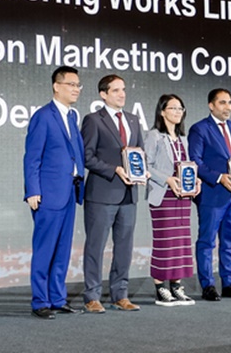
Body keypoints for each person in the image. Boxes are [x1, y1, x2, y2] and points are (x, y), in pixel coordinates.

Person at [23, 66, 85, 319]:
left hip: (70, 191)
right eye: (71, 84)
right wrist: (32, 190)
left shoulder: (72, 116)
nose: (76, 89)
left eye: (78, 85)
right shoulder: (43, 116)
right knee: (45, 249)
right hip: (48, 194)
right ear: (56, 86)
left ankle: (57, 299)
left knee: (62, 250)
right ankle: (40, 301)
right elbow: (32, 157)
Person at [80, 74, 144, 313]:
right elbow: (86, 157)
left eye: (123, 89)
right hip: (102, 193)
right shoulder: (93, 120)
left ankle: (120, 295)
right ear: (103, 94)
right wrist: (114, 170)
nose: (122, 94)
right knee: (95, 246)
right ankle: (92, 296)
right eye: (116, 90)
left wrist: (143, 171)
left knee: (124, 247)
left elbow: (140, 153)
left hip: (129, 194)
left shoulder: (134, 120)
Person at [188, 88, 231, 302]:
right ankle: (207, 285)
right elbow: (195, 161)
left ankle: (229, 283)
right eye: (223, 103)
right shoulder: (199, 128)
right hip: (212, 194)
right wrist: (219, 178)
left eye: (230, 102)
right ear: (211, 105)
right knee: (207, 241)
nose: (228, 107)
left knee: (230, 241)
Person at [144, 94, 201, 306]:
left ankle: (176, 286)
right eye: (173, 108)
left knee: (181, 242)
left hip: (182, 197)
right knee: (165, 242)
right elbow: (146, 166)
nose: (178, 112)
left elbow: (189, 166)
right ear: (162, 111)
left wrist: (196, 181)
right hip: (163, 195)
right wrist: (167, 179)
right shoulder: (154, 136)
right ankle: (161, 288)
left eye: (180, 108)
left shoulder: (183, 139)